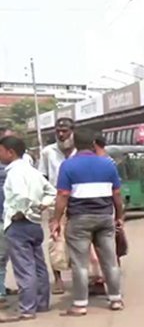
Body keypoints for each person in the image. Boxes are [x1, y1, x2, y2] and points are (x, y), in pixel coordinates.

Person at [51, 128, 125, 316]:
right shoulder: (108, 165)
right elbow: (116, 194)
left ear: (75, 144)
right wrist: (119, 216)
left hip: (79, 220)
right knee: (110, 261)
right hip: (104, 218)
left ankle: (80, 304)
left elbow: (63, 195)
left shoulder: (68, 166)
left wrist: (56, 220)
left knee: (80, 263)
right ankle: (116, 299)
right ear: (93, 144)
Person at [0, 136, 56, 323]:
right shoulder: (33, 172)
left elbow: (21, 196)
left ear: (10, 152)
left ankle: (27, 309)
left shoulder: (15, 173)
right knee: (38, 265)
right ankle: (42, 303)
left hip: (19, 224)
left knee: (24, 268)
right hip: (34, 224)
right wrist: (41, 206)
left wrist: (22, 211)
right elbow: (51, 192)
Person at [38, 117, 75, 294]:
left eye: (65, 130)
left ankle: (83, 278)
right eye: (58, 131)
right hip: (55, 202)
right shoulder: (47, 152)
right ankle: (58, 280)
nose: (61, 134)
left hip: (77, 202)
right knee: (55, 241)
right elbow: (42, 178)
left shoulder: (80, 151)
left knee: (78, 241)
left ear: (72, 131)